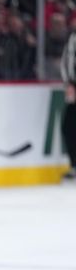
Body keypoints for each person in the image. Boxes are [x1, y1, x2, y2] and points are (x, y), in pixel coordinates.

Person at [60, 27, 76, 180]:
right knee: (68, 127)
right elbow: (66, 63)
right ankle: (74, 164)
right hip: (74, 87)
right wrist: (69, 84)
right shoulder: (72, 38)